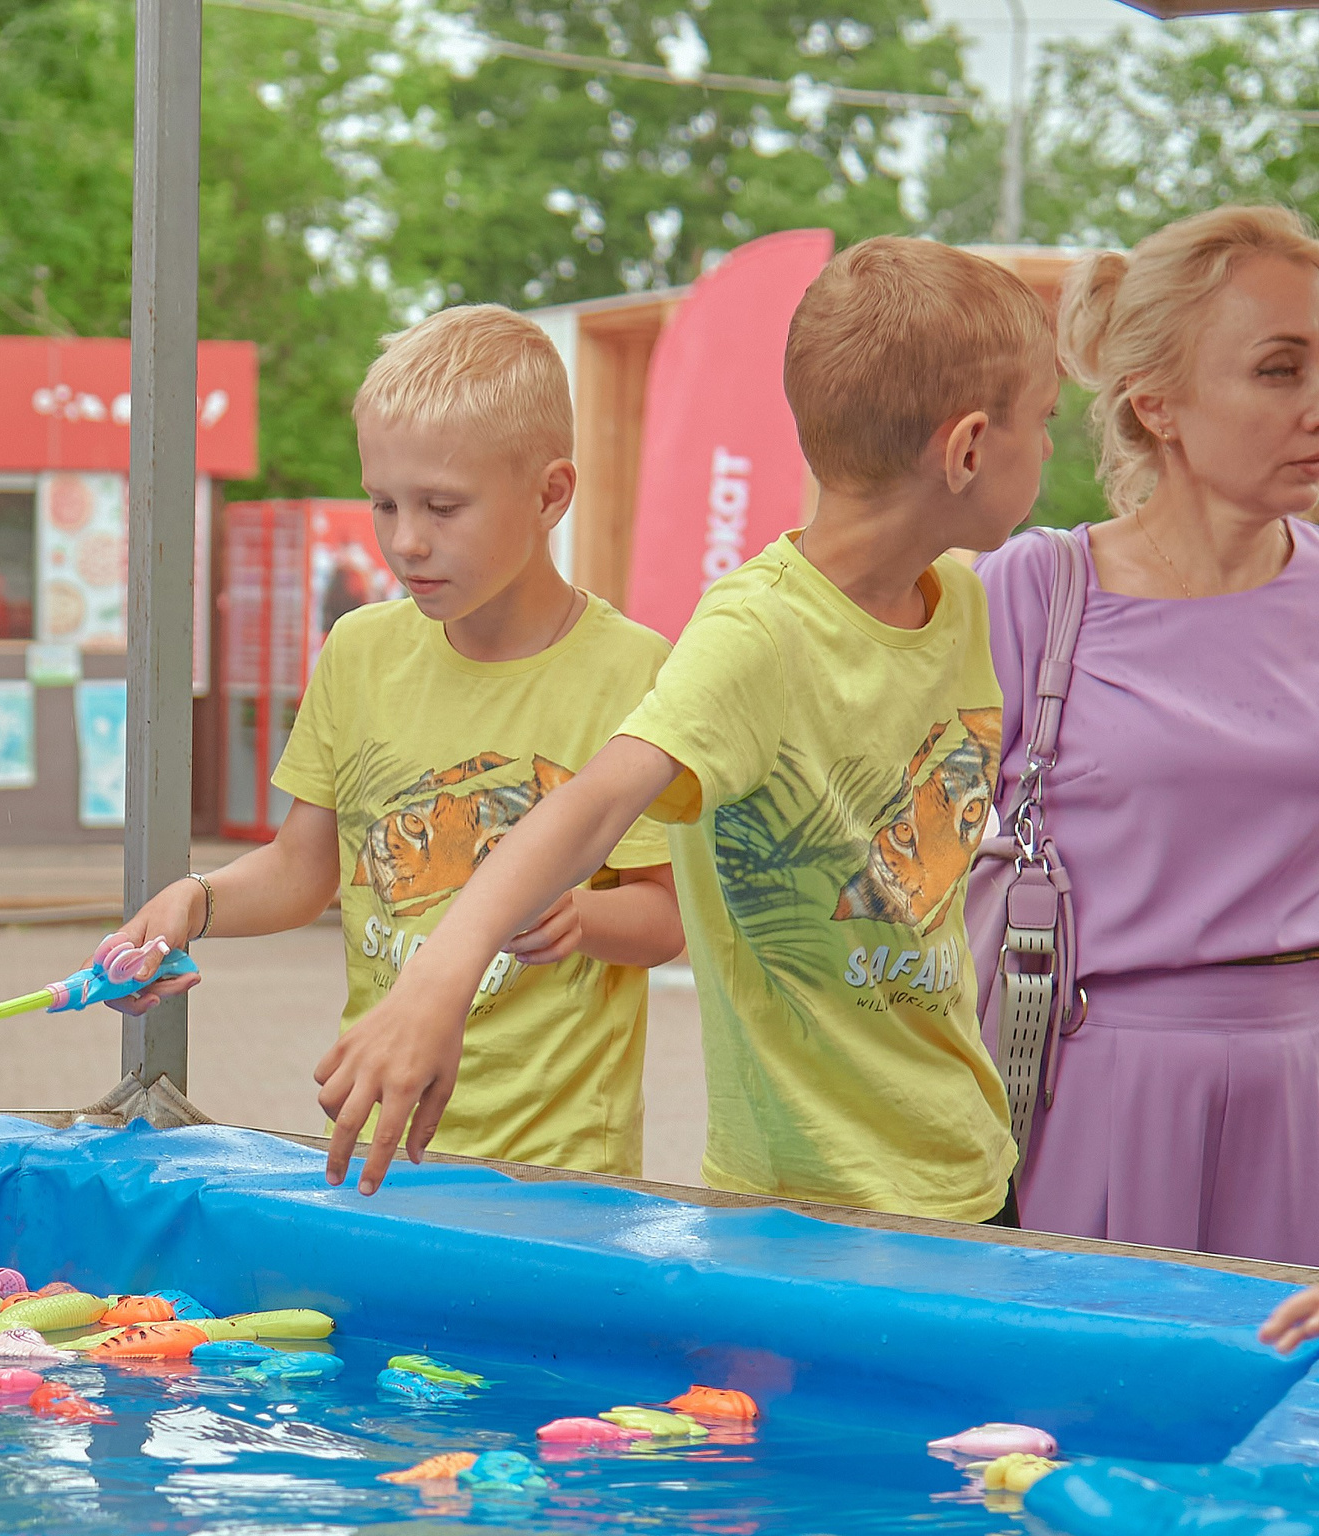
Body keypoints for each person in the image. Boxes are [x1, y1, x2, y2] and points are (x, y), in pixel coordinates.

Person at [314, 238, 1053, 1220]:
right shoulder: (752, 634)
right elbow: (593, 804)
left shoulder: (959, 601)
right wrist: (435, 982)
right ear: (967, 449)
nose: (1050, 449)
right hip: (805, 1205)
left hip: (969, 1167)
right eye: (1045, 421)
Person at [108, 305, 681, 1174]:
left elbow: (666, 917)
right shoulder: (359, 649)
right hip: (381, 1127)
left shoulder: (631, 670)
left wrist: (582, 916)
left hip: (559, 1168)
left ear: (550, 495)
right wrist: (195, 902)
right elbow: (306, 868)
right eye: (383, 503)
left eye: (443, 507)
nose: (406, 541)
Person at [977, 206, 1319, 1266]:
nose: (1315, 403)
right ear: (1156, 403)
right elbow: (895, 869)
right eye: (1279, 370)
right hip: (1095, 1093)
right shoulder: (1034, 591)